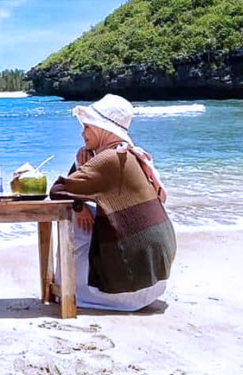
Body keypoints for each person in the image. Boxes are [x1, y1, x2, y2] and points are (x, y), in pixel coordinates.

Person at [50, 94, 176, 311]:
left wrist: (78, 205)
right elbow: (74, 187)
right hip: (153, 280)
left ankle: (68, 286)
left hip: (131, 289)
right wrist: (80, 200)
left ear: (101, 128)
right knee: (84, 209)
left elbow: (58, 190)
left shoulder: (109, 160)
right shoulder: (126, 154)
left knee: (71, 214)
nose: (82, 134)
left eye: (87, 127)